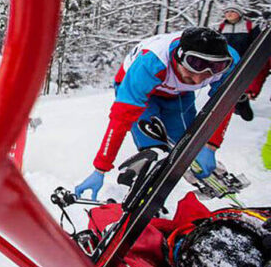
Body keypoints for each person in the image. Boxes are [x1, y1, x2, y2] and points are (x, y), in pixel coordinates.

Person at [75, 27, 240, 201]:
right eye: (195, 66)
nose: (200, 79)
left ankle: (210, 180)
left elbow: (224, 105)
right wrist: (100, 168)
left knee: (188, 144)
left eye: (214, 68)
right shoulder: (151, 63)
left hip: (178, 94)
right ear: (179, 56)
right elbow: (120, 119)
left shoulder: (229, 63)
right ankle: (142, 193)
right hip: (140, 92)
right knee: (154, 148)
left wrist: (210, 146)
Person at [218, 4, 259, 120]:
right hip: (226, 61)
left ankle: (242, 103)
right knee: (225, 83)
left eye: (232, 11)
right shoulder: (222, 27)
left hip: (243, 60)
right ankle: (231, 104)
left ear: (239, 13)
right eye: (227, 12)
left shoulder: (249, 26)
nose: (229, 14)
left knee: (240, 83)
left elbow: (257, 43)